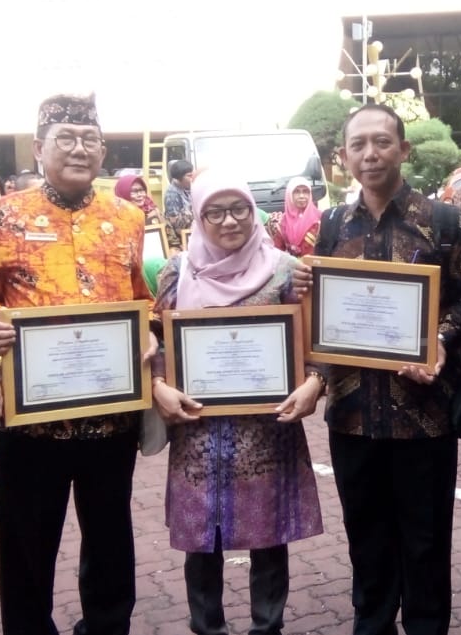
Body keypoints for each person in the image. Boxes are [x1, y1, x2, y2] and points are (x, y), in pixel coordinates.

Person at [0, 93, 153, 635]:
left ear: (103, 150)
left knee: (109, 535)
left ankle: (107, 626)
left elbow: (140, 298)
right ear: (38, 148)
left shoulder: (127, 217)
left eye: (90, 139)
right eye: (66, 139)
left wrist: (148, 331)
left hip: (110, 413)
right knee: (26, 543)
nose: (80, 149)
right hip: (31, 418)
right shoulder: (1, 216)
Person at [303, 103, 461, 635]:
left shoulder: (443, 221)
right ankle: (372, 624)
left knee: (425, 541)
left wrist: (442, 341)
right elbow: (322, 314)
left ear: (403, 149)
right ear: (343, 156)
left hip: (422, 417)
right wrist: (306, 300)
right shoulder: (331, 225)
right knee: (367, 539)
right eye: (358, 144)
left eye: (382, 142)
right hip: (352, 416)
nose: (370, 154)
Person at [151, 171, 324, 635]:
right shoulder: (176, 272)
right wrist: (157, 385)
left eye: (239, 209)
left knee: (268, 534)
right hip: (198, 430)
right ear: (198, 215)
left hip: (266, 431)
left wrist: (315, 382)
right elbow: (158, 341)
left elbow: (313, 342)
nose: (229, 221)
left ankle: (268, 626)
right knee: (200, 538)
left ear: (254, 211)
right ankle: (207, 626)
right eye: (215, 212)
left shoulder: (286, 270)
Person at [265, 176, 321, 257]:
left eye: (305, 191)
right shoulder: (283, 221)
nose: (301, 196)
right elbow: (277, 251)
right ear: (289, 195)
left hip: (316, 263)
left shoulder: (321, 218)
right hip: (292, 264)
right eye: (296, 192)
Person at [165, 159, 196, 235]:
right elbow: (174, 222)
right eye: (189, 176)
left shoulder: (186, 187)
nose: (192, 178)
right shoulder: (172, 194)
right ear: (179, 177)